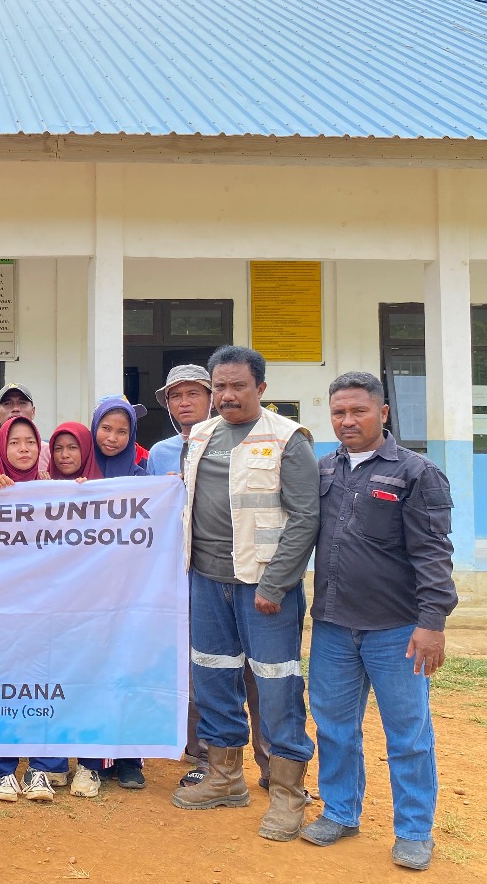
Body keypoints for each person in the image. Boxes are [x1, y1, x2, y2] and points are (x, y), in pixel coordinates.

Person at [300, 372, 457, 871]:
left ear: (383, 412)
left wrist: (432, 623)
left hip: (397, 630)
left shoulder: (416, 473)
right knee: (333, 727)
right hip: (332, 626)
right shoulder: (325, 469)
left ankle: (413, 830)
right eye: (338, 412)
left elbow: (434, 553)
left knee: (407, 733)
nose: (347, 421)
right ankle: (340, 812)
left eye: (358, 411)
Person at [172, 345, 318, 843]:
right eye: (220, 387)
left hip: (265, 588)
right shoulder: (201, 436)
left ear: (261, 388)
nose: (228, 395)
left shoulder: (288, 439)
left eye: (238, 386)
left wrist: (276, 583)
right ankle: (224, 777)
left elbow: (305, 518)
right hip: (206, 580)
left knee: (277, 685)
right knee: (212, 675)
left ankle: (287, 793)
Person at [146, 366, 273, 791]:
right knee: (203, 666)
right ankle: (206, 757)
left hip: (250, 573)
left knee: (259, 672)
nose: (184, 403)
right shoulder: (159, 454)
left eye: (194, 393)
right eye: (175, 396)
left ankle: (273, 765)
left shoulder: (241, 441)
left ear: (212, 398)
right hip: (190, 574)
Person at [68, 396, 149, 798]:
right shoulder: (79, 474)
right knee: (91, 673)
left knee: (127, 670)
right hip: (86, 593)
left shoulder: (142, 476)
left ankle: (129, 757)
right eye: (105, 428)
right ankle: (93, 756)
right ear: (94, 428)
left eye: (122, 431)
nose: (112, 438)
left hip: (128, 589)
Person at [0, 416, 66, 802]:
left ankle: (41, 769)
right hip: (0, 608)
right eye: (14, 442)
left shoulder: (54, 492)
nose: (23, 449)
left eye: (30, 442)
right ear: (2, 447)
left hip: (44, 606)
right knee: (0, 684)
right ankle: (3, 770)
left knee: (44, 681)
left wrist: (83, 497)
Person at [0, 383, 51, 475]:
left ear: (33, 411)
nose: (15, 409)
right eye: (7, 403)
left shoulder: (49, 452)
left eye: (22, 403)